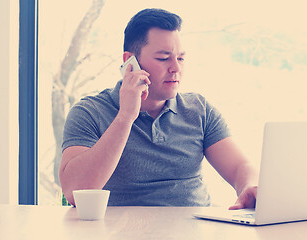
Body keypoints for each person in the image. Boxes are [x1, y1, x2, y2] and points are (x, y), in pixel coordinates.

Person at [59, 8, 257, 209]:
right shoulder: (90, 112)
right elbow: (76, 191)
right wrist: (126, 117)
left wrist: (249, 186)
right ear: (130, 61)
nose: (176, 68)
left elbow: (240, 167)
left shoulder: (199, 110)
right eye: (164, 58)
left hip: (194, 231)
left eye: (180, 58)